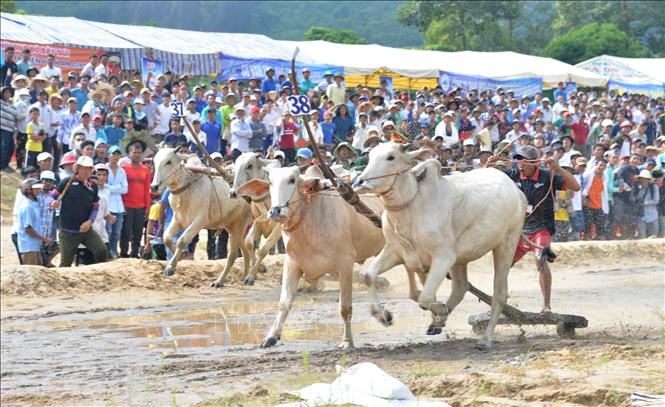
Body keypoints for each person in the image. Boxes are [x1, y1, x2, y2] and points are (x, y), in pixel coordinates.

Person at [487, 145, 580, 314]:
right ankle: (498, 303)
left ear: (535, 162)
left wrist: (557, 168)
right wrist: (489, 166)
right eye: (518, 160)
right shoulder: (511, 175)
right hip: (518, 231)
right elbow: (486, 180)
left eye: (524, 161)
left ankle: (546, 306)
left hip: (541, 229)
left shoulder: (548, 176)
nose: (520, 164)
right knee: (502, 266)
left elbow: (576, 187)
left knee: (540, 260)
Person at [50, 156, 108, 266]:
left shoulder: (93, 186)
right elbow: (52, 196)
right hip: (68, 230)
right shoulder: (67, 182)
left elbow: (95, 207)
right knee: (66, 263)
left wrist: (90, 221)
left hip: (85, 230)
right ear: (78, 168)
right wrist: (52, 202)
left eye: (89, 169)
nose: (86, 171)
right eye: (83, 168)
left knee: (101, 250)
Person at [120, 142, 151, 258]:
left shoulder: (146, 170)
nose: (136, 155)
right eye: (134, 152)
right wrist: (122, 205)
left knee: (138, 232)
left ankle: (134, 253)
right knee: (126, 231)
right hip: (127, 205)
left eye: (139, 153)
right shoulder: (123, 168)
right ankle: (123, 253)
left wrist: (148, 208)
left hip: (141, 206)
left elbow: (147, 190)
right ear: (129, 153)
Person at [17, 179, 51, 265]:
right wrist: (44, 239)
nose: (40, 190)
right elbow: (28, 229)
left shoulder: (33, 203)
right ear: (28, 190)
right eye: (37, 189)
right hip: (29, 247)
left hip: (34, 246)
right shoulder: (27, 206)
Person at [106, 145, 127, 258]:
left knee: (116, 233)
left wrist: (111, 188)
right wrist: (117, 187)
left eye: (118, 154)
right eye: (113, 154)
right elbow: (104, 188)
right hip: (108, 206)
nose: (115, 156)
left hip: (119, 206)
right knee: (108, 231)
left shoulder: (122, 171)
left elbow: (125, 189)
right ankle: (106, 253)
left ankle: (113, 252)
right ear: (109, 155)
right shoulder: (103, 168)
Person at [581, 159, 609, 240]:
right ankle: (585, 240)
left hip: (598, 204)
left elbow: (603, 191)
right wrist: (583, 197)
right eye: (600, 165)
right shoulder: (588, 174)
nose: (601, 167)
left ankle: (600, 242)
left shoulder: (605, 177)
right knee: (588, 224)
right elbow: (581, 183)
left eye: (604, 166)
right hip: (588, 203)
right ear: (596, 164)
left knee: (600, 224)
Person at [634, 170, 659, 238]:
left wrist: (644, 203)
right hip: (640, 216)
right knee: (642, 237)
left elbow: (656, 201)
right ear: (640, 179)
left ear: (649, 179)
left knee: (653, 237)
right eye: (643, 178)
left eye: (646, 179)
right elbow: (633, 198)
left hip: (652, 216)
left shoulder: (654, 188)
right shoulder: (637, 188)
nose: (644, 180)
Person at [1, 86, 21, 172]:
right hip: (2, 129)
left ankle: (6, 164)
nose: (7, 94)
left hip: (10, 130)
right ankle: (2, 166)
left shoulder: (13, 106)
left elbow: (18, 116)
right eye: (5, 92)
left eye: (9, 92)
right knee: (4, 148)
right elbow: (17, 114)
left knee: (10, 148)